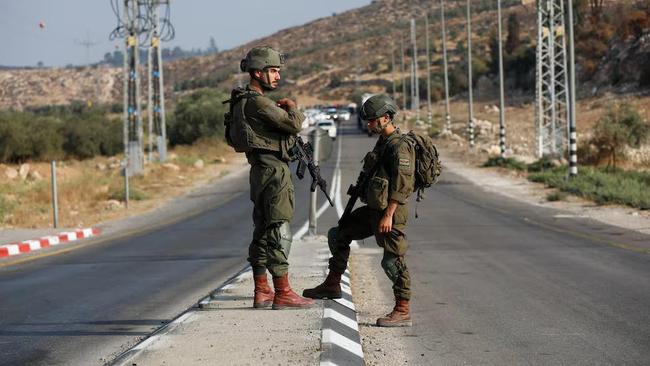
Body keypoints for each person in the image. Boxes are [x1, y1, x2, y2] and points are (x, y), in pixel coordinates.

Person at [303, 94, 415, 326]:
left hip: (390, 213)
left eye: (373, 120)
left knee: (392, 260)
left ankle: (402, 310)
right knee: (339, 233)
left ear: (386, 118)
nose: (369, 124)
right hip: (374, 210)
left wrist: (388, 214)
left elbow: (403, 184)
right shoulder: (383, 142)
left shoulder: (400, 146)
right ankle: (333, 284)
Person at [227, 46, 314, 310]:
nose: (277, 76)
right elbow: (293, 125)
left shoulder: (242, 100)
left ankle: (262, 290)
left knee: (263, 230)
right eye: (272, 71)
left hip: (259, 170)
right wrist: (294, 109)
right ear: (257, 72)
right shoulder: (258, 102)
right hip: (274, 171)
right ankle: (283, 292)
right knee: (279, 228)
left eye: (277, 71)